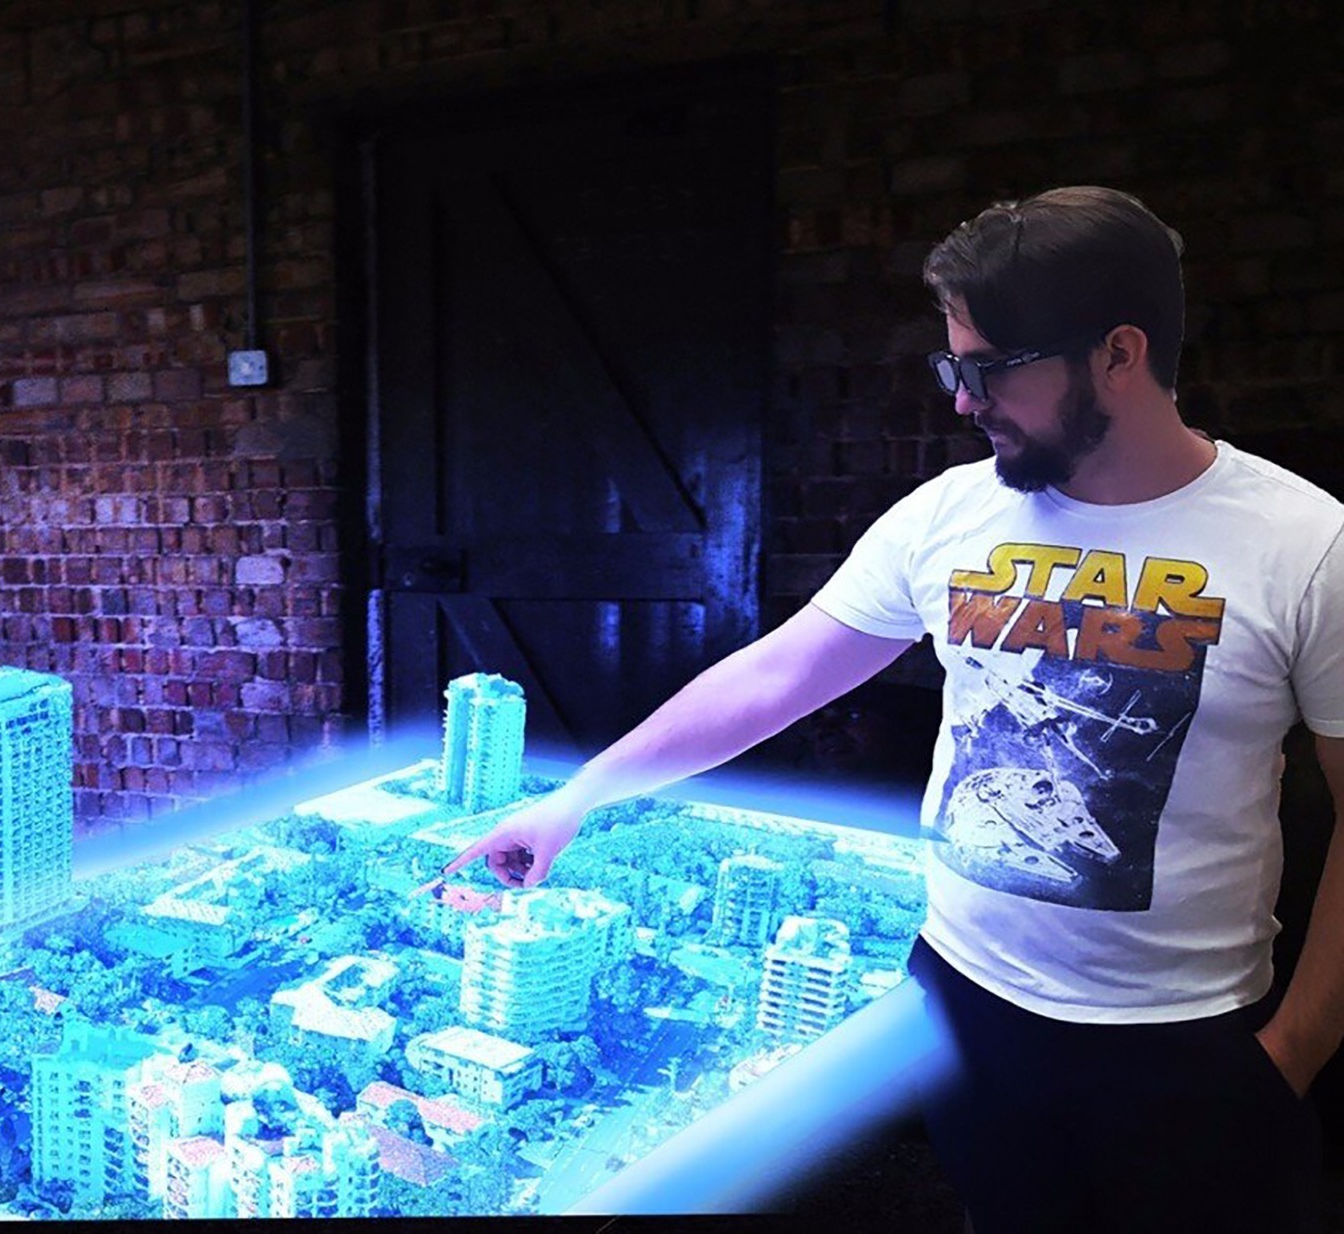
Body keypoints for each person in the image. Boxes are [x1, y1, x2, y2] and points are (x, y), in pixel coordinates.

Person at [444, 185, 1344, 1233]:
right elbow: (774, 677)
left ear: (1118, 353)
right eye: (951, 368)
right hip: (962, 1009)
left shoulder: (1302, 544)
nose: (962, 402)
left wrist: (1295, 1049)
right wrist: (575, 800)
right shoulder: (947, 515)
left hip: (1188, 1042)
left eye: (988, 369)